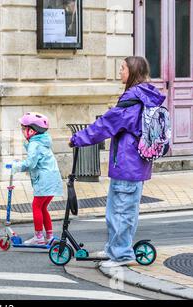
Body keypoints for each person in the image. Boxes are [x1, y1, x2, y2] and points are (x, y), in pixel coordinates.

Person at [69, 56, 166, 268]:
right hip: (132, 165)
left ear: (132, 71)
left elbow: (105, 125)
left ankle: (122, 255)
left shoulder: (132, 100)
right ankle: (115, 249)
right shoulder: (143, 96)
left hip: (127, 165)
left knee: (121, 212)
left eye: (122, 68)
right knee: (118, 211)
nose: (120, 72)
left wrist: (78, 138)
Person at [12, 112, 63, 245]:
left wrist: (17, 167)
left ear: (32, 131)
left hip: (44, 179)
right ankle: (49, 236)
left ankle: (39, 237)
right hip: (53, 178)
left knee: (36, 206)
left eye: (24, 128)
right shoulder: (43, 141)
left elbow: (30, 163)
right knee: (43, 207)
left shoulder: (35, 144)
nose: (22, 131)